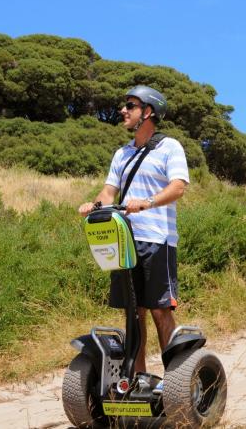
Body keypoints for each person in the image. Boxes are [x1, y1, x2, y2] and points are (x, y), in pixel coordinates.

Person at [78, 85, 189, 375]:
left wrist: (148, 203)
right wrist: (95, 205)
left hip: (157, 239)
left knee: (159, 309)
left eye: (131, 105)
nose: (123, 110)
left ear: (148, 111)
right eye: (124, 105)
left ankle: (174, 379)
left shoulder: (170, 147)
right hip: (124, 239)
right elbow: (109, 191)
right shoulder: (122, 153)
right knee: (133, 312)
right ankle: (139, 378)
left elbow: (178, 187)